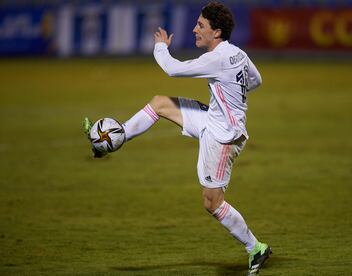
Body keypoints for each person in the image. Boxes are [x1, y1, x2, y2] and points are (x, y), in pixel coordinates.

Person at [83, 2, 271, 275]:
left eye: (201, 26)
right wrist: (231, 99)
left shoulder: (216, 58)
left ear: (216, 32)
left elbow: (172, 69)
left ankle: (256, 248)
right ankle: (117, 136)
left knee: (212, 202)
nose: (195, 29)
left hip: (222, 137)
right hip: (212, 120)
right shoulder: (238, 54)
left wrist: (160, 45)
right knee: (160, 103)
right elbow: (256, 80)